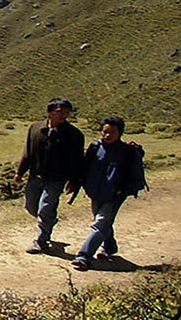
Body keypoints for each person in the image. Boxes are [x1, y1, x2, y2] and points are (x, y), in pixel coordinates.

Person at [70, 116, 145, 270]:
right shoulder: (95, 147)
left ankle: (84, 256)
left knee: (100, 223)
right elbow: (85, 167)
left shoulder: (128, 152)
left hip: (114, 195)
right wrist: (78, 183)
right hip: (95, 193)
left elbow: (135, 176)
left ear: (120, 133)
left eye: (111, 132)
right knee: (104, 222)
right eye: (105, 132)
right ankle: (109, 246)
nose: (107, 135)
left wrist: (124, 192)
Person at [14, 98, 85, 254]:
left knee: (46, 207)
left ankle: (42, 240)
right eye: (60, 112)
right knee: (31, 206)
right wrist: (20, 172)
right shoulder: (35, 128)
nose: (64, 115)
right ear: (49, 112)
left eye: (67, 112)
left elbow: (77, 160)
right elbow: (28, 152)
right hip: (35, 176)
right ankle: (49, 221)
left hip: (57, 179)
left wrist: (74, 181)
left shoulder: (74, 135)